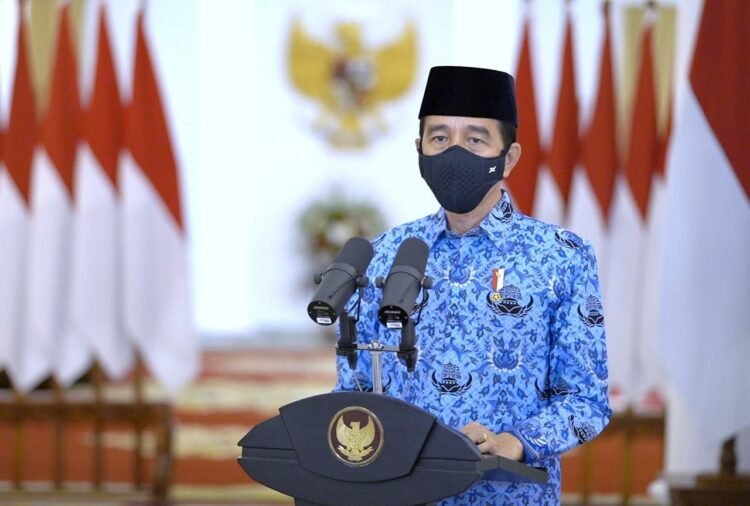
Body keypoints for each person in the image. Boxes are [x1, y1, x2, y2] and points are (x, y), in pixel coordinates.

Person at [335, 66, 611, 505]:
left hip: (509, 495)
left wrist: (515, 442)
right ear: (419, 149)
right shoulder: (384, 254)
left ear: (510, 157)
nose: (454, 153)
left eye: (475, 140)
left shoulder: (562, 257)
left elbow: (586, 402)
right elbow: (355, 391)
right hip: (401, 494)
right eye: (439, 138)